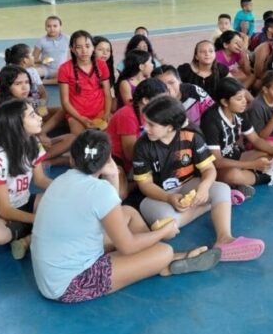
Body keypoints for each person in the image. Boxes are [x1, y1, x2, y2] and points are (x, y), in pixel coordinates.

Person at [31, 130, 219, 304]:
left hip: (51, 276)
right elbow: (127, 246)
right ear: (108, 160)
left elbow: (112, 211)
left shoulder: (61, 180)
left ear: (72, 159)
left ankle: (156, 263)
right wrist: (163, 232)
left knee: (128, 213)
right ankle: (164, 262)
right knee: (164, 251)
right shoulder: (99, 190)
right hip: (71, 285)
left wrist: (113, 177)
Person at [132, 95, 265, 261]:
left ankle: (224, 238)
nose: (145, 128)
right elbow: (145, 185)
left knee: (222, 188)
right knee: (167, 224)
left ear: (170, 127)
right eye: (145, 122)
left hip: (188, 185)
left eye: (151, 124)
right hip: (156, 195)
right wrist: (168, 198)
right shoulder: (142, 146)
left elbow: (209, 169)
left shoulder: (191, 137)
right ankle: (214, 205)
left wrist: (204, 187)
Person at [0, 100, 50, 259]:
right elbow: (4, 210)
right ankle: (34, 231)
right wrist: (38, 219)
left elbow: (40, 180)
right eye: (32, 115)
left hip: (24, 201)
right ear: (16, 125)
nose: (40, 117)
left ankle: (26, 238)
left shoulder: (34, 142)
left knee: (63, 203)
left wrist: (65, 188)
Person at [201, 77, 273, 191]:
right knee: (233, 176)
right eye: (239, 98)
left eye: (244, 96)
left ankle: (247, 179)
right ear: (225, 102)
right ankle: (269, 177)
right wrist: (252, 164)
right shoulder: (211, 121)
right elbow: (217, 162)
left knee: (268, 152)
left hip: (236, 158)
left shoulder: (239, 112)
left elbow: (256, 140)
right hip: (217, 168)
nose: (244, 101)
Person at [106, 78, 169, 200]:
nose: (164, 105)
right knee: (120, 194)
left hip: (140, 156)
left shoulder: (151, 113)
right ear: (145, 100)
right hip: (116, 159)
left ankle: (143, 181)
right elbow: (130, 154)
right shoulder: (127, 115)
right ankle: (139, 184)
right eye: (161, 100)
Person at [58, 31, 112, 135]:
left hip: (100, 112)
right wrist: (81, 119)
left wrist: (107, 113)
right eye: (79, 47)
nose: (84, 50)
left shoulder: (101, 65)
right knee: (81, 140)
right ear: (72, 49)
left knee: (110, 138)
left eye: (87, 46)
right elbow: (65, 102)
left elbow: (107, 94)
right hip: (77, 116)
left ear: (93, 47)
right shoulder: (64, 69)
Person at [32, 16, 69, 83]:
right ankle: (54, 80)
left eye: (55, 26)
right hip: (46, 69)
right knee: (30, 73)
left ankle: (45, 82)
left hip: (62, 70)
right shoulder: (41, 41)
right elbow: (33, 59)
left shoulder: (67, 38)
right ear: (45, 28)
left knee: (70, 75)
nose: (52, 29)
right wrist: (42, 61)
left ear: (60, 27)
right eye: (49, 26)